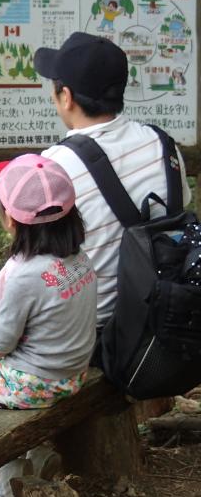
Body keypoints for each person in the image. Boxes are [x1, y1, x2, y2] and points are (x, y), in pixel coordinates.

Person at [0, 154, 97, 497]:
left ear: (9, 218)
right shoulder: (79, 259)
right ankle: (36, 457)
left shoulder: (24, 274)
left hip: (37, 383)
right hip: (72, 374)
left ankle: (8, 493)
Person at [36, 32, 192, 331]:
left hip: (98, 333)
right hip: (168, 319)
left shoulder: (56, 166)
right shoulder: (163, 145)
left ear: (66, 96)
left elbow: (41, 261)